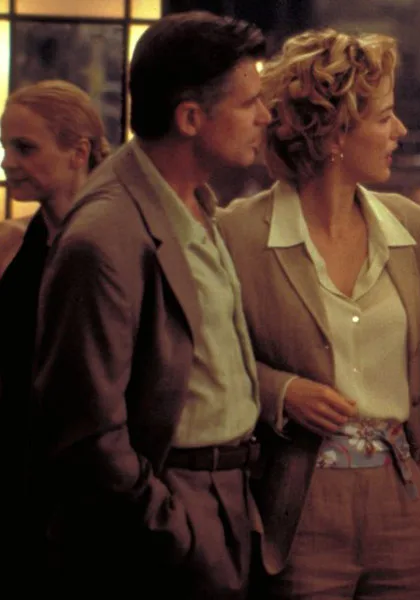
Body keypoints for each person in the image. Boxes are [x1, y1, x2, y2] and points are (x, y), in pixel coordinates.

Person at [31, 11, 271, 598]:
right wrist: (173, 531)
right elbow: (87, 433)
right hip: (168, 517)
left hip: (224, 498)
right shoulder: (105, 234)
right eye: (249, 103)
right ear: (190, 118)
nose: (266, 117)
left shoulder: (195, 203)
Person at [217, 29, 420, 599]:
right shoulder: (238, 233)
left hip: (402, 499)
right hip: (299, 504)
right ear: (338, 131)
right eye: (385, 117)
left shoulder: (412, 227)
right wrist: (281, 391)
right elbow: (212, 362)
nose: (400, 131)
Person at [0, 79, 109, 584]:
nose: (8, 163)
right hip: (20, 468)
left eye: (24, 148)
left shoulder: (117, 243)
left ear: (78, 152)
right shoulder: (14, 244)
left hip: (94, 477)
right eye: (5, 148)